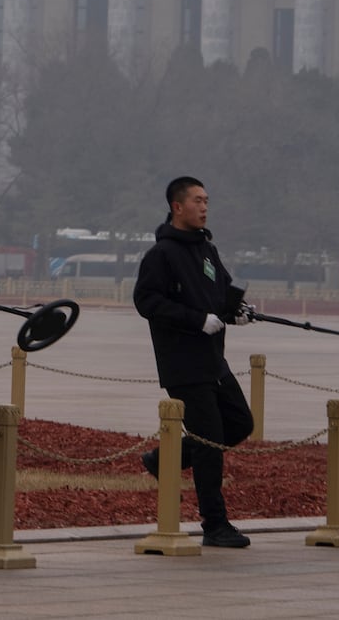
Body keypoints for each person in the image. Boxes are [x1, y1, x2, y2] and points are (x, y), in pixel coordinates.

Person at [132, 176, 256, 549]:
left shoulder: (206, 249)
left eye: (207, 200)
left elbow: (220, 294)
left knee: (239, 424)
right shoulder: (162, 255)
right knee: (210, 441)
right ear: (177, 206)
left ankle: (163, 459)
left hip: (213, 360)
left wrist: (236, 312)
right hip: (184, 364)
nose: (204, 207)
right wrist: (196, 320)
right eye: (197, 200)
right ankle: (214, 524)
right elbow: (147, 302)